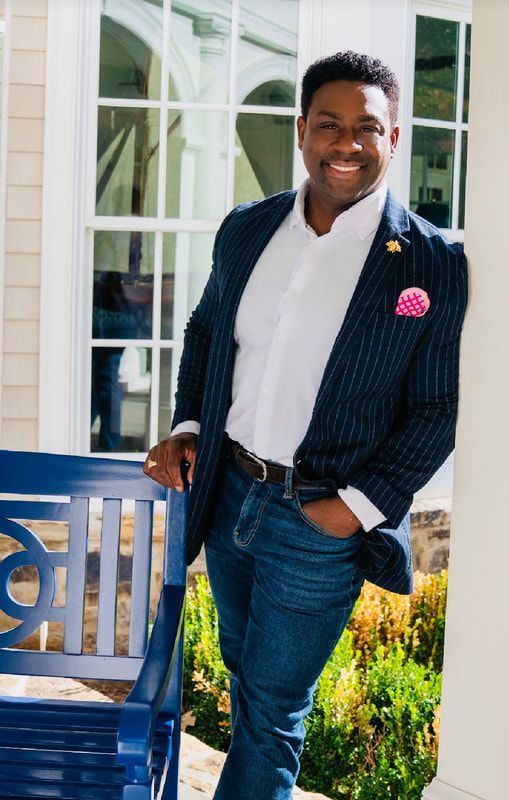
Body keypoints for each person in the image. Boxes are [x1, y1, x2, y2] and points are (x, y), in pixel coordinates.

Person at [144, 51, 468, 800]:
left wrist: (350, 509)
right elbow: (205, 334)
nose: (345, 143)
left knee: (271, 712)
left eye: (366, 127)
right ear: (301, 132)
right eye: (329, 124)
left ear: (393, 138)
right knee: (244, 679)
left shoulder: (430, 263)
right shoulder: (248, 228)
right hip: (228, 494)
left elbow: (437, 406)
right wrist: (190, 426)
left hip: (319, 517)